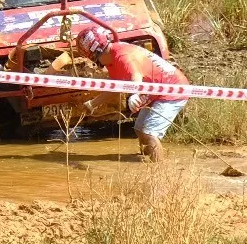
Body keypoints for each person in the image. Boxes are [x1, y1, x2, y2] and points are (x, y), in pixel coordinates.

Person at [73, 25, 189, 162]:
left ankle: (159, 171)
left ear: (94, 53)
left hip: (172, 89)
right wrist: (93, 104)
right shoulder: (111, 58)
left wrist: (135, 94)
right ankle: (147, 158)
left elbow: (136, 76)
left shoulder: (122, 56)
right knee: (139, 129)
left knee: (151, 133)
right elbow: (115, 87)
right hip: (155, 89)